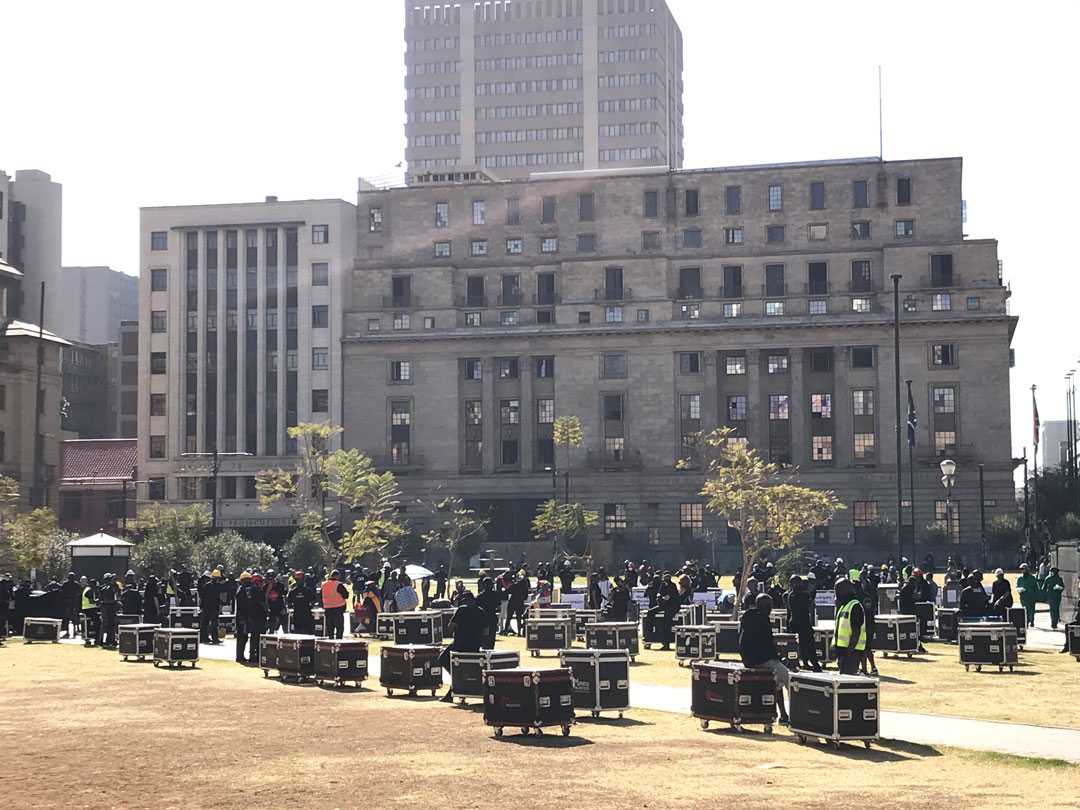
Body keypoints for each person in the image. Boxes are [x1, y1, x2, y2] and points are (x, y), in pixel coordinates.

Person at [738, 593, 790, 725]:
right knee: (788, 677)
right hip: (759, 660)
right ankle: (798, 713)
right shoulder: (762, 620)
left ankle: (783, 714)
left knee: (777, 678)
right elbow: (766, 646)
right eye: (769, 606)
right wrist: (779, 658)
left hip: (748, 659)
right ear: (764, 606)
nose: (771, 609)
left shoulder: (748, 616)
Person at [438, 590, 488, 702]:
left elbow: (450, 627)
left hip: (459, 644)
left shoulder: (462, 609)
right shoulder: (481, 611)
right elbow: (486, 631)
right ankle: (458, 684)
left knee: (443, 659)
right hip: (474, 646)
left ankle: (457, 681)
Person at [785, 576, 820, 672]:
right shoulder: (798, 595)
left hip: (798, 622)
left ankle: (806, 663)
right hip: (801, 622)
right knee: (807, 644)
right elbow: (810, 604)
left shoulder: (792, 594)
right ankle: (813, 664)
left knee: (803, 645)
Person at [834, 578, 867, 676]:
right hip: (843, 650)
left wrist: (849, 651)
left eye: (837, 590)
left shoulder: (855, 606)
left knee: (848, 677)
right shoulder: (844, 606)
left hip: (852, 651)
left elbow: (856, 631)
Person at [321, 570, 350, 639]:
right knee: (339, 628)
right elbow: (346, 595)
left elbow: (320, 596)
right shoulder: (338, 584)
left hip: (327, 609)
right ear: (337, 576)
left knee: (330, 628)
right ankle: (338, 642)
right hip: (338, 608)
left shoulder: (324, 584)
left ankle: (331, 641)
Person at [198, 570, 222, 644]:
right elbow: (218, 597)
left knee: (205, 623)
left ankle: (204, 638)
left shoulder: (207, 585)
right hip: (213, 607)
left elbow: (202, 595)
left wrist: (201, 605)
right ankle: (214, 639)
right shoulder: (218, 586)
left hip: (206, 607)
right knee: (214, 624)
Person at [475, 577, 500, 649]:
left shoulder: (480, 596)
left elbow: (476, 608)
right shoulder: (495, 595)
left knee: (484, 638)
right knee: (491, 637)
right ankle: (490, 651)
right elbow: (499, 608)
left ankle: (485, 650)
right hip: (492, 618)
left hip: (483, 619)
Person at [98, 572, 120, 648]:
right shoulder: (104, 588)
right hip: (107, 607)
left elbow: (117, 593)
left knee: (110, 624)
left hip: (109, 607)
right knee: (106, 624)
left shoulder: (113, 586)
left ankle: (109, 640)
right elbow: (104, 598)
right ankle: (103, 641)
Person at [265, 570, 288, 634]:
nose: (271, 580)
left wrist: (284, 608)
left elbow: (285, 595)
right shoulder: (265, 587)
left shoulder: (280, 585)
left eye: (272, 578)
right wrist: (268, 590)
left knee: (285, 627)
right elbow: (264, 599)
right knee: (271, 628)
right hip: (271, 610)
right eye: (269, 579)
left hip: (280, 608)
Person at [60, 573, 81, 639]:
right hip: (71, 603)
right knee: (71, 618)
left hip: (70, 603)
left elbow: (62, 592)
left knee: (69, 618)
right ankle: (71, 631)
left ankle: (71, 631)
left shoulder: (66, 584)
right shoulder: (75, 584)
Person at [0, 572, 14, 641]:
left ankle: (3, 634)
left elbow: (11, 592)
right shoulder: (1, 584)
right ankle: (2, 634)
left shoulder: (9, 584)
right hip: (2, 603)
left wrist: (11, 599)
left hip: (6, 603)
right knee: (2, 619)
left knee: (4, 619)